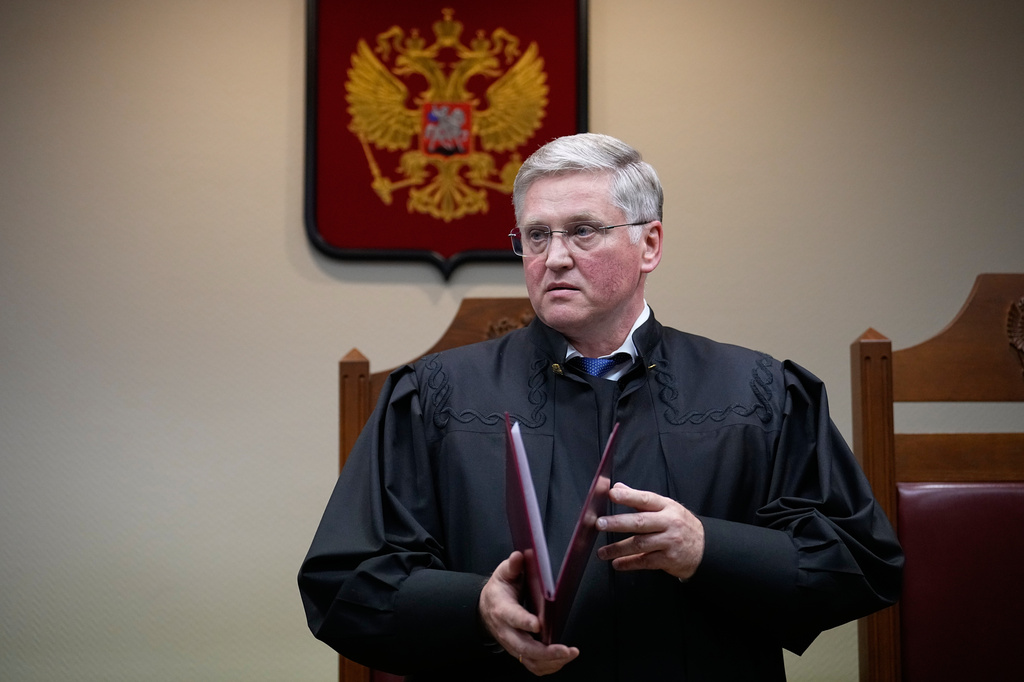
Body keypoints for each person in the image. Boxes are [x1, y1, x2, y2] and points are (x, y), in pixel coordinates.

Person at [299, 133, 903, 680]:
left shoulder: (760, 393)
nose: (554, 257)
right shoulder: (435, 398)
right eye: (537, 235)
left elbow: (861, 562)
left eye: (583, 230)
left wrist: (707, 549)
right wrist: (476, 608)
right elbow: (345, 582)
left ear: (650, 243)